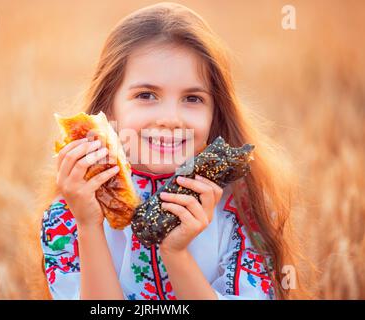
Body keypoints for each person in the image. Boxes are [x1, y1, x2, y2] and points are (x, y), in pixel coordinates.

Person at [35, 2, 307, 300]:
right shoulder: (68, 214)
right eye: (146, 95)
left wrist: (176, 254)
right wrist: (89, 225)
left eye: (192, 98)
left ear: (215, 112)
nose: (170, 118)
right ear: (108, 106)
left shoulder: (243, 206)